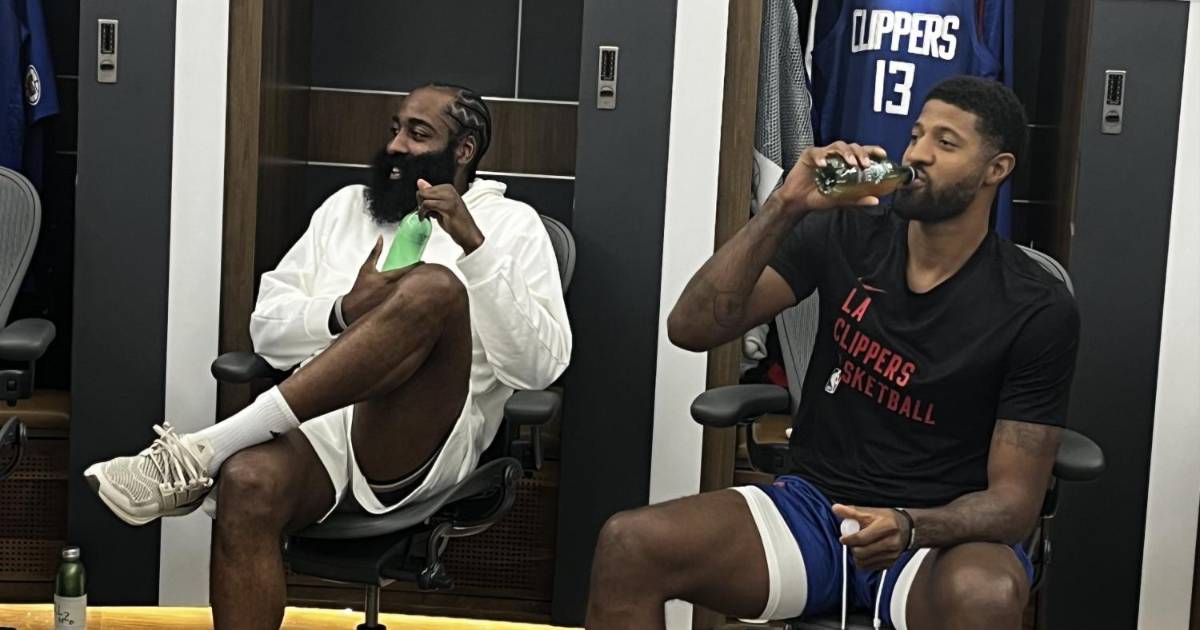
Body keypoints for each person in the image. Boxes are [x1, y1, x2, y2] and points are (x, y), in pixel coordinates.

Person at [586, 76, 1078, 630]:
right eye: (916, 135)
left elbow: (1014, 504)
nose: (917, 154)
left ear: (996, 169)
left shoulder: (1035, 306)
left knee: (984, 595)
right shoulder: (848, 232)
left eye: (946, 143)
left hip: (936, 534)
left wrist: (910, 525)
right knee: (630, 544)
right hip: (815, 510)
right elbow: (691, 327)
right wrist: (786, 205)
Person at [84, 83, 572, 629]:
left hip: (421, 437)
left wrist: (474, 248)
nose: (396, 145)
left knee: (435, 286)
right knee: (246, 483)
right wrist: (342, 312)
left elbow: (540, 368)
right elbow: (266, 330)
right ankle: (222, 453)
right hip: (318, 432)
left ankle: (211, 446)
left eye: (418, 134)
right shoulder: (344, 210)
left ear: (464, 150)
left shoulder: (512, 226)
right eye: (395, 129)